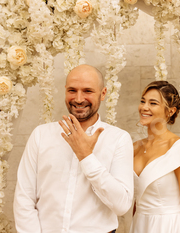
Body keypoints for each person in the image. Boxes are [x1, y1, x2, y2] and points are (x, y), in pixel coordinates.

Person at [13, 64, 133, 233]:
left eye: (88, 91)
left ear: (103, 93)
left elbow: (122, 205)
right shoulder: (41, 135)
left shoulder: (119, 139)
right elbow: (24, 198)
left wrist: (86, 156)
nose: (78, 98)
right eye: (72, 90)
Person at [130, 81, 180, 233]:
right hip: (139, 225)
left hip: (168, 226)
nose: (144, 107)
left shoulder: (179, 148)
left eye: (153, 103)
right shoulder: (135, 148)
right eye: (143, 101)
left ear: (171, 111)